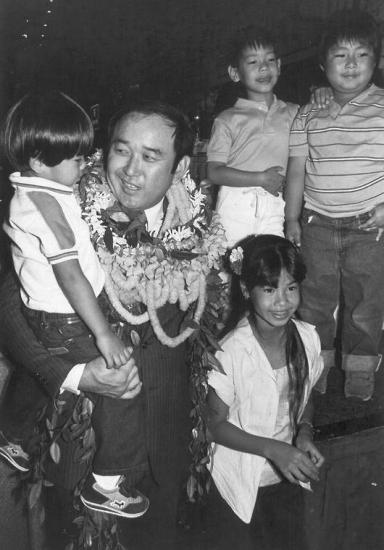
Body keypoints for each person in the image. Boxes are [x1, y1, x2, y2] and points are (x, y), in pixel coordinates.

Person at [0, 99, 222, 547]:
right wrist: (77, 375)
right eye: (121, 151)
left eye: (151, 156)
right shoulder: (61, 204)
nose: (131, 170)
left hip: (162, 442)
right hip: (75, 442)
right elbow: (9, 308)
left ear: (180, 167)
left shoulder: (201, 231)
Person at [1, 90, 150, 518]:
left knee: (44, 365)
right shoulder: (45, 204)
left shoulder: (35, 191)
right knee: (123, 384)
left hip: (47, 319)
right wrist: (103, 334)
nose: (85, 165)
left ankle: (12, 436)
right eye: (76, 158)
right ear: (38, 160)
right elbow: (69, 274)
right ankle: (106, 484)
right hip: (66, 318)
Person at [285, 9, 384, 401]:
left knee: (366, 302)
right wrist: (291, 217)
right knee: (314, 301)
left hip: (369, 227)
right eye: (341, 55)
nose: (351, 64)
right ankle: (316, 368)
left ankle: (362, 370)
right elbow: (296, 169)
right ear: (324, 64)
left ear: (375, 62)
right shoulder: (307, 112)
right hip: (317, 224)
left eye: (361, 55)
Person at [206, 234, 324, 550]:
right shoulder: (230, 351)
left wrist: (304, 433)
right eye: (270, 290)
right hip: (239, 485)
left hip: (286, 480)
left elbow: (306, 393)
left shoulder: (307, 339)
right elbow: (213, 425)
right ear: (247, 290)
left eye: (291, 288)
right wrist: (273, 449)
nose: (282, 302)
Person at [207, 26, 299, 247]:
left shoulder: (295, 112)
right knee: (230, 271)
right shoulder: (227, 119)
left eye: (270, 60)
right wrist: (260, 178)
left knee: (269, 271)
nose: (263, 67)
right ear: (235, 73)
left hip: (275, 204)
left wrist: (322, 94)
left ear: (278, 65)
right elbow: (214, 172)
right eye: (253, 62)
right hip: (235, 204)